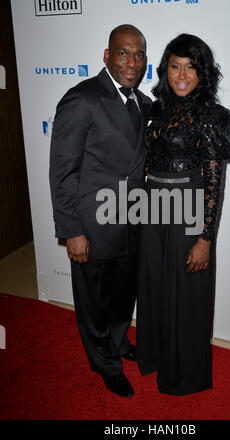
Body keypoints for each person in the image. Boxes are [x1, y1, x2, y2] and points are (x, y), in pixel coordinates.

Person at [49, 24, 152, 398]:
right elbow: (62, 172)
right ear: (107, 56)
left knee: (124, 294)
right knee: (94, 300)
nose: (132, 61)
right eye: (124, 53)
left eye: (139, 55)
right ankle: (104, 363)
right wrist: (71, 229)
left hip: (131, 222)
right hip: (92, 225)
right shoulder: (82, 99)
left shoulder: (140, 102)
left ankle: (119, 342)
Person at [136, 33, 230, 395]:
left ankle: (185, 374)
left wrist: (205, 238)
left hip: (189, 206)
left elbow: (214, 182)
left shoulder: (214, 116)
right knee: (153, 284)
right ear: (165, 70)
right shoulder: (157, 108)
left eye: (191, 67)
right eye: (175, 66)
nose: (182, 75)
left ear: (202, 73)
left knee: (187, 292)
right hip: (152, 205)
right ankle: (156, 355)